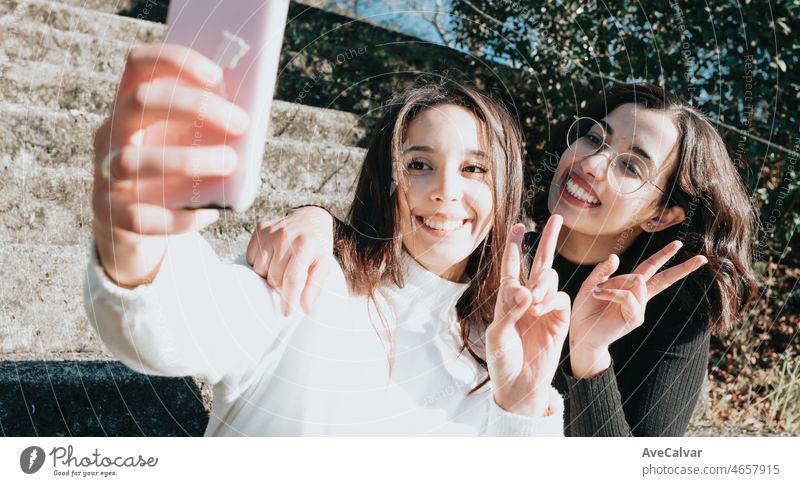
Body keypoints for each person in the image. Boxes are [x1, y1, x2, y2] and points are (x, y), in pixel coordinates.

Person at [84, 49, 570, 436]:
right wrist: (136, 229)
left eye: (474, 169)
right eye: (418, 164)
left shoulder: (503, 343)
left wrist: (522, 407)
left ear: (502, 189)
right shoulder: (314, 275)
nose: (446, 189)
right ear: (387, 181)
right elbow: (169, 327)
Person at [247, 82, 757, 436]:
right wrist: (317, 220)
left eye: (629, 165)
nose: (591, 162)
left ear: (661, 215)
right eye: (594, 137)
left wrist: (589, 359)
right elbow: (407, 243)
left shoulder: (676, 312)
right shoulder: (510, 255)